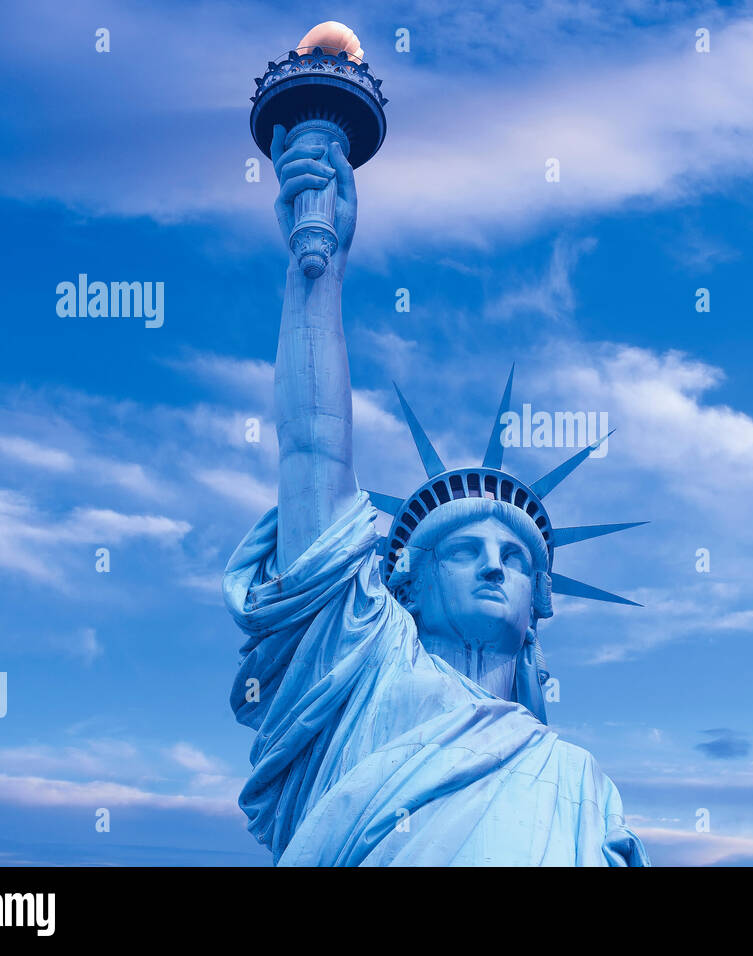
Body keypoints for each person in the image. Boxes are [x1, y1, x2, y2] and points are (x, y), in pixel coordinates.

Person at [223, 124, 649, 866]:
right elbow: (310, 447)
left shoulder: (583, 786)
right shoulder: (365, 671)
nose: (493, 566)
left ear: (538, 606)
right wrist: (315, 268)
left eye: (515, 559)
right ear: (406, 585)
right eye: (465, 551)